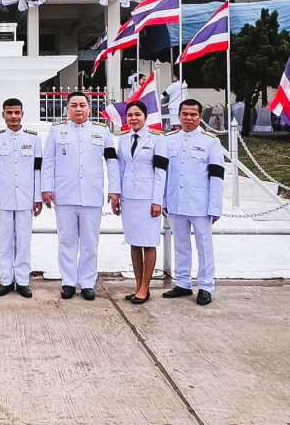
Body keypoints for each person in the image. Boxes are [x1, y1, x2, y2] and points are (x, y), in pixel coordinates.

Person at [41, 91, 120, 301]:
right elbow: (48, 161)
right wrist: (46, 188)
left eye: (82, 105)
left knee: (89, 242)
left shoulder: (101, 132)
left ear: (89, 109)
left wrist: (114, 190)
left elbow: (112, 162)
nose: (78, 109)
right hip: (65, 194)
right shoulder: (57, 131)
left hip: (92, 194)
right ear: (67, 109)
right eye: (74, 105)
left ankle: (87, 282)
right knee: (66, 241)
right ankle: (68, 282)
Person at [162, 99, 225, 306]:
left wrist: (215, 206)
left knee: (204, 247)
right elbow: (164, 174)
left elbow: (217, 175)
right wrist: (163, 201)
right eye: (185, 114)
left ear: (200, 117)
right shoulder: (169, 140)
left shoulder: (210, 142)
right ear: (179, 115)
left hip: (200, 204)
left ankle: (206, 286)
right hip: (176, 202)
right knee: (181, 245)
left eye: (193, 115)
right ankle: (182, 283)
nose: (188, 118)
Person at [108, 101, 168, 304]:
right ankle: (138, 284)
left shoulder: (157, 139)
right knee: (134, 242)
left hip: (148, 198)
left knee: (148, 243)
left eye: (137, 115)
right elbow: (120, 168)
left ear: (145, 117)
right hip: (129, 198)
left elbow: (161, 172)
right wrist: (116, 194)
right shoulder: (123, 139)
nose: (133, 118)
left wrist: (157, 201)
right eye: (130, 115)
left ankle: (146, 286)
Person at [0, 98, 42, 298]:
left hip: (26, 197)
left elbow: (38, 171)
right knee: (5, 241)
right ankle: (6, 280)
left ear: (22, 114)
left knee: (24, 240)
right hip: (4, 197)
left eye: (17, 112)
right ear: (3, 115)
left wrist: (38, 198)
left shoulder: (33, 139)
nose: (13, 117)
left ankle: (23, 281)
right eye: (9, 113)